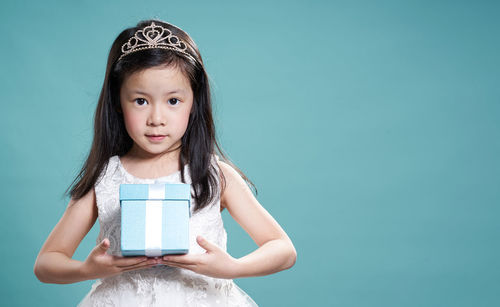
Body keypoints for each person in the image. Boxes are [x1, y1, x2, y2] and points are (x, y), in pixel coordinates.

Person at [33, 19, 297, 306]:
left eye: (173, 101)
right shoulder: (106, 178)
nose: (156, 118)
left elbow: (282, 249)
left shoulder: (214, 174)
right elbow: (46, 263)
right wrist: (89, 269)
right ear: (118, 103)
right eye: (141, 101)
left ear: (194, 102)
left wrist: (232, 267)